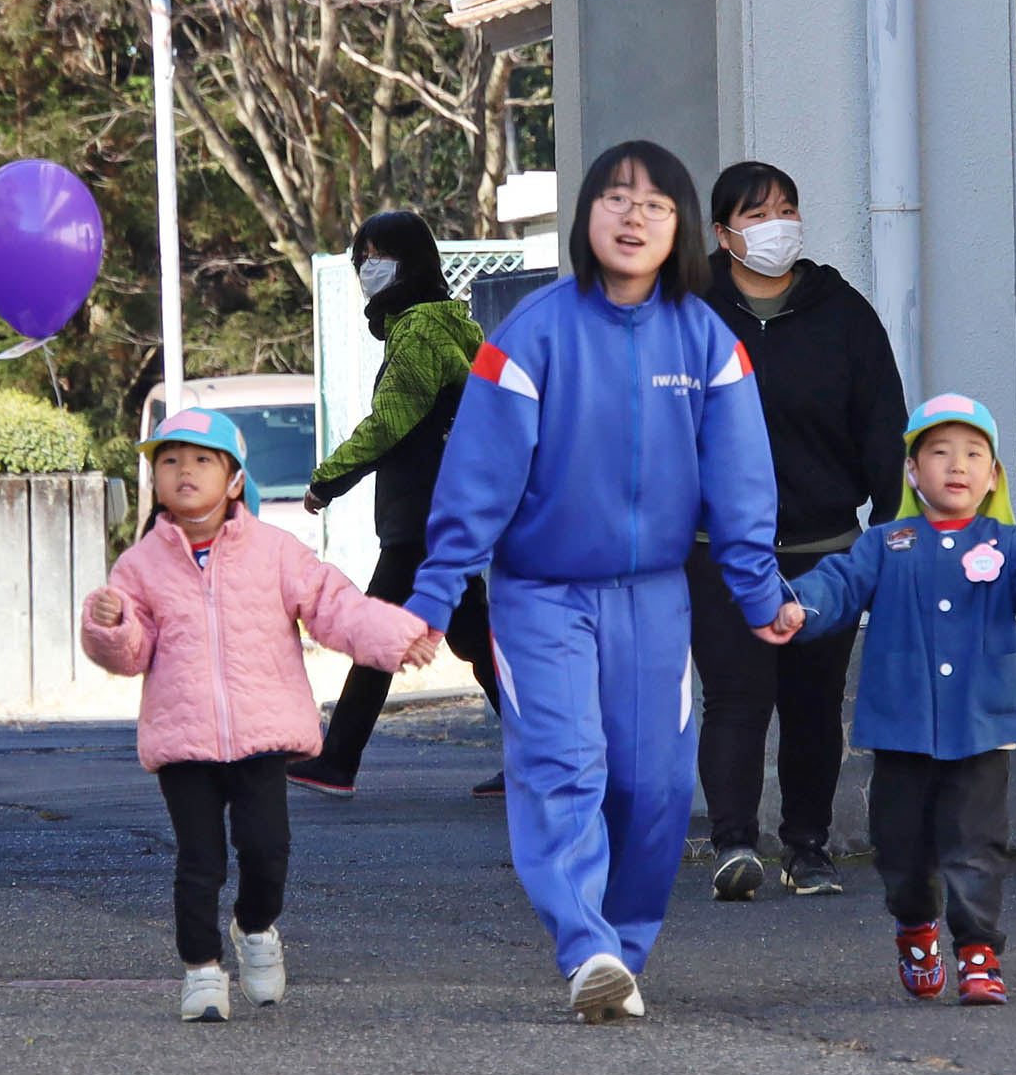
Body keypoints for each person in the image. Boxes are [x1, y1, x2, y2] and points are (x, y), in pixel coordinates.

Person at [401, 140, 786, 1023]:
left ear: (682, 227)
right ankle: (586, 947)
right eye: (615, 199)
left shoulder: (709, 342)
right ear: (586, 219)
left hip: (655, 596)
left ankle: (620, 952)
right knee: (565, 765)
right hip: (541, 594)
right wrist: (433, 596)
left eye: (655, 204)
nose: (633, 216)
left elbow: (740, 482)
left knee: (653, 787)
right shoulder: (529, 334)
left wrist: (759, 594)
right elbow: (478, 478)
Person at [79, 408, 434, 1022]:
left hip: (263, 733)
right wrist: (108, 625)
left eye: (201, 460)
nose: (183, 471)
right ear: (155, 481)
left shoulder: (276, 552)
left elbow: (335, 606)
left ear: (235, 480)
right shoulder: (138, 566)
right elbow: (131, 654)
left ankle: (257, 928)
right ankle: (201, 972)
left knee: (267, 849)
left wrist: (396, 636)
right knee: (200, 861)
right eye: (168, 460)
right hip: (183, 739)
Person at [771, 395, 1016, 1005]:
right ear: (913, 471)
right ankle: (915, 926)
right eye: (938, 453)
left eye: (972, 454)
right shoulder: (887, 542)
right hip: (902, 724)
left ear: (992, 478)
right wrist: (798, 605)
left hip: (983, 721)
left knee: (975, 843)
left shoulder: (1009, 541)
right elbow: (838, 583)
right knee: (901, 848)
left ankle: (979, 955)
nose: (956, 465)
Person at [692, 161, 906, 902]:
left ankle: (808, 847)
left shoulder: (841, 312)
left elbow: (882, 419)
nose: (776, 223)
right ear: (723, 234)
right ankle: (733, 844)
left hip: (824, 549)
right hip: (717, 549)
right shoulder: (690, 312)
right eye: (756, 214)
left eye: (786, 207)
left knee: (814, 705)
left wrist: (887, 521)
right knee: (736, 695)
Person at [289, 211, 502, 800]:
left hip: (421, 518)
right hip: (448, 511)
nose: (365, 269)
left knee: (378, 633)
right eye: (361, 258)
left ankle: (336, 762)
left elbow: (390, 423)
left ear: (412, 262)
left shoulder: (417, 332)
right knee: (476, 638)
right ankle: (543, 757)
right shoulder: (455, 326)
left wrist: (327, 481)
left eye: (377, 256)